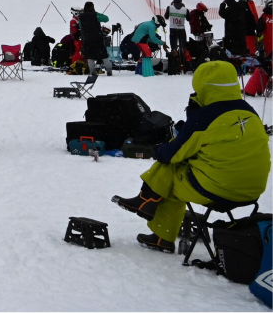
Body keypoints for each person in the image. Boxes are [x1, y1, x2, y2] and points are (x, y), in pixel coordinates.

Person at [113, 61, 270, 252]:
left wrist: (158, 150)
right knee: (180, 166)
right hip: (252, 189)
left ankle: (157, 224)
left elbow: (172, 154)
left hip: (220, 190)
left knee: (170, 181)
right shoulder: (249, 111)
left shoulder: (205, 117)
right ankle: (147, 200)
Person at [78, 2, 110, 75]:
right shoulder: (95, 15)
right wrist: (95, 14)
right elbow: (106, 19)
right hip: (97, 38)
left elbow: (80, 26)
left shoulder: (81, 16)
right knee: (104, 55)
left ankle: (92, 71)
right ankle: (109, 70)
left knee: (90, 56)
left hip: (86, 39)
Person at [165, 0, 189, 73]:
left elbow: (166, 17)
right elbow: (189, 19)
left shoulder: (170, 8)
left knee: (174, 48)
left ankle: (174, 66)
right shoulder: (185, 9)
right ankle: (185, 65)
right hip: (182, 30)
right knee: (183, 47)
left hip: (173, 30)